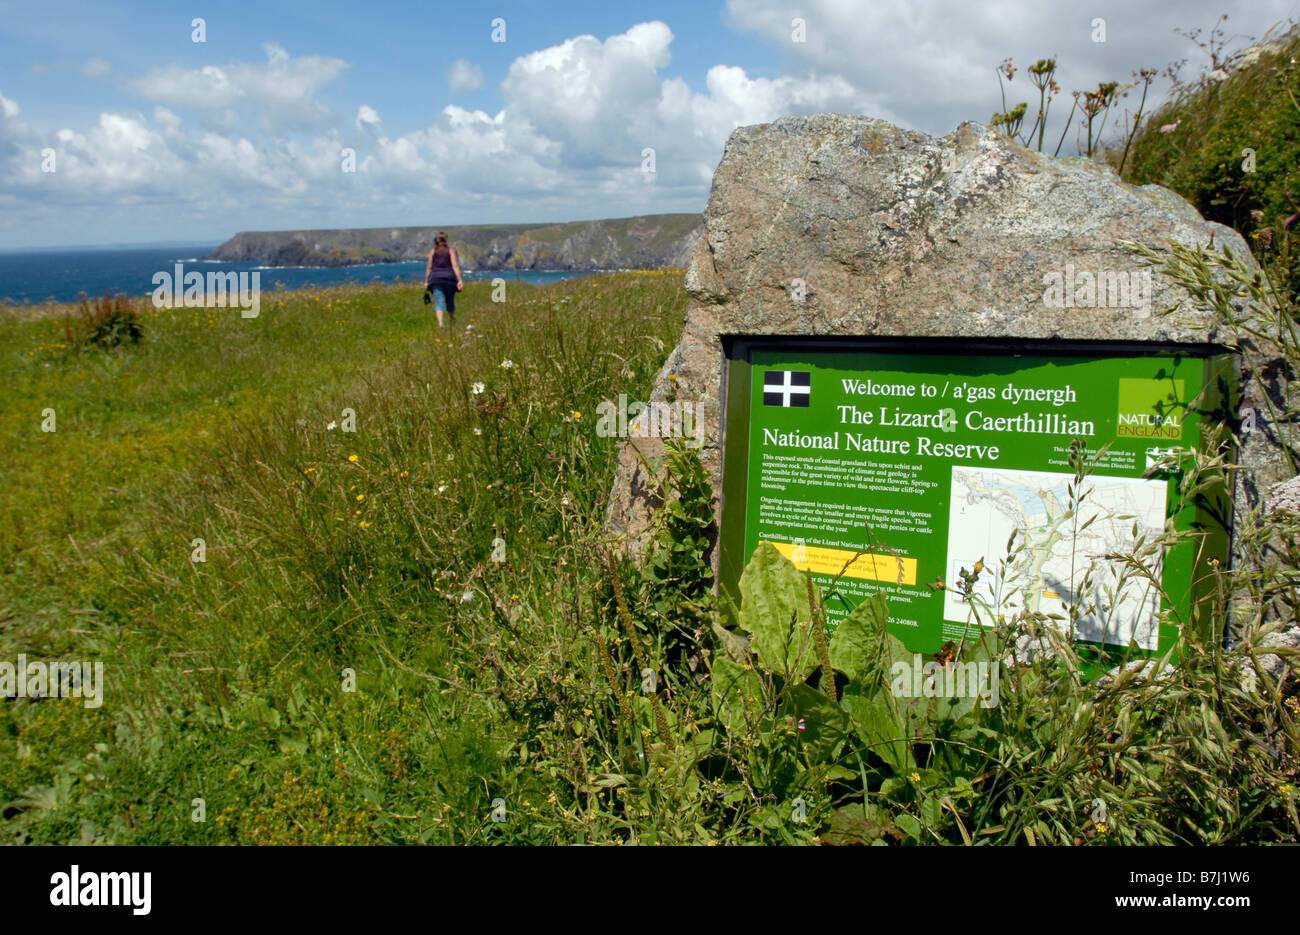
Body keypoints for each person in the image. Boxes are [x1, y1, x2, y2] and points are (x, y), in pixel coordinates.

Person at [424, 232, 463, 328]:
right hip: (449, 279)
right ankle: (452, 319)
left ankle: (441, 323)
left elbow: (429, 267)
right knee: (450, 300)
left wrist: (426, 281)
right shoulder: (451, 251)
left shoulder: (432, 252)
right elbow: (455, 266)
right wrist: (459, 280)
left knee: (439, 301)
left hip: (436, 279)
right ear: (445, 240)